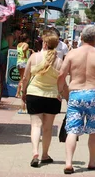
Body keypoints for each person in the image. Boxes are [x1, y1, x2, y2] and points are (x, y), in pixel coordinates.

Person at [57, 25, 95, 175]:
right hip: (94, 95)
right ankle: (91, 162)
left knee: (72, 130)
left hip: (75, 94)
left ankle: (69, 163)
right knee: (94, 131)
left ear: (81, 38)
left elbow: (61, 75)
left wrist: (60, 91)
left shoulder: (71, 54)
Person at [21, 30, 64, 168]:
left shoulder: (34, 57)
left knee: (35, 125)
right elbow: (62, 82)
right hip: (52, 96)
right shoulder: (59, 61)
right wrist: (62, 94)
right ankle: (45, 155)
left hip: (34, 94)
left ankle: (35, 153)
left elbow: (25, 77)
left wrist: (23, 92)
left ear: (44, 43)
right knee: (47, 128)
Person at [15, 34, 31, 112]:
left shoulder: (19, 44)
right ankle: (20, 93)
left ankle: (17, 93)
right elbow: (24, 50)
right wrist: (25, 55)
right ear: (27, 39)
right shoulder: (26, 44)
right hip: (24, 62)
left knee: (21, 78)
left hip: (18, 62)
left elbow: (21, 49)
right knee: (24, 79)